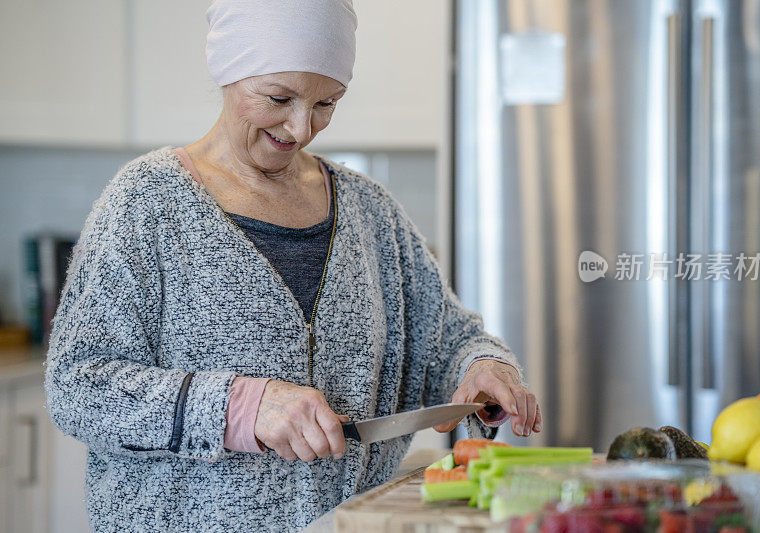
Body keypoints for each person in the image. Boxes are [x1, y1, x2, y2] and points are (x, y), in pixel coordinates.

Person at [44, 0, 542, 530]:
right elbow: (79, 385)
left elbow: (446, 341)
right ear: (230, 71)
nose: (302, 127)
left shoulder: (370, 211)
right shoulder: (145, 204)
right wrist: (239, 407)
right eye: (279, 98)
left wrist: (481, 368)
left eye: (327, 102)